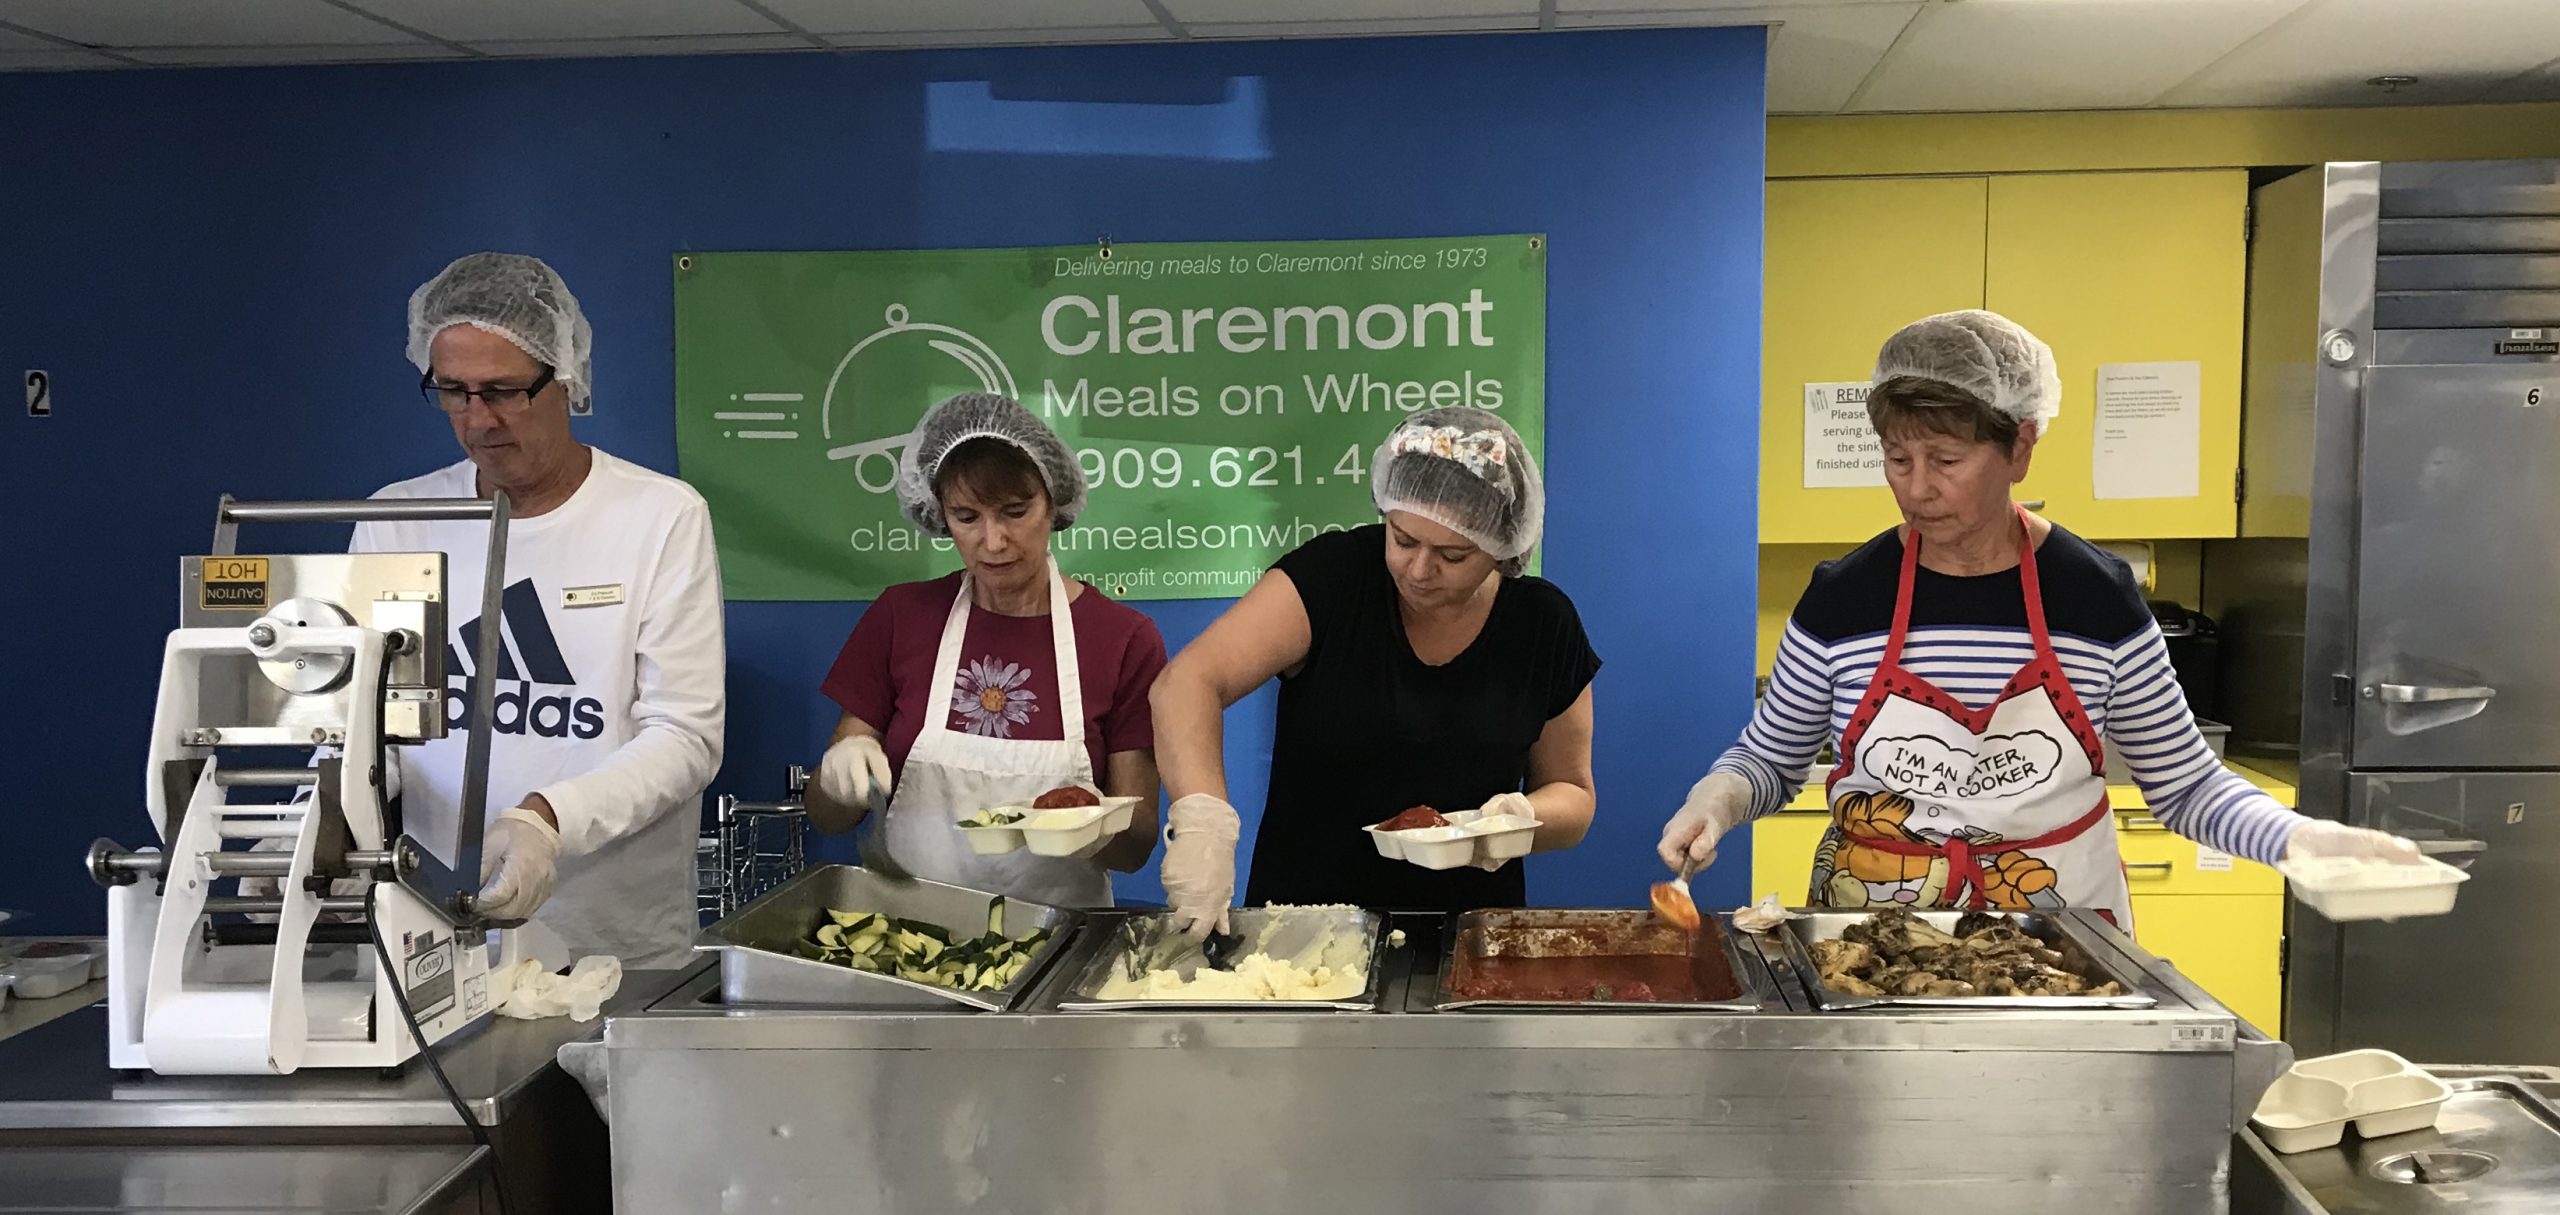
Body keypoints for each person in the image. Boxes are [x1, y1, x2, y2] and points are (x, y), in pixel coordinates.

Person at [1658, 310, 2417, 924]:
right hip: (1870, 936)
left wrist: (2301, 839)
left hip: (2060, 942)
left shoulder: (2094, 597)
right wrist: (1715, 800)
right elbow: (1771, 759)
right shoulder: (1843, 599)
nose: (1917, 488)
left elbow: (2186, 786)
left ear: (2021, 445)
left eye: (1946, 460)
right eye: (1897, 458)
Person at [359, 252, 727, 969]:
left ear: (568, 380)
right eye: (453, 391)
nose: (478, 419)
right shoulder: (397, 520)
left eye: (502, 390)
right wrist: (315, 816)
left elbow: (685, 734)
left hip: (613, 942)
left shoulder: (657, 517)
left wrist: (547, 819)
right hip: (438, 932)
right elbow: (371, 727)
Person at [1150, 407, 1600, 936]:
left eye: (1453, 555)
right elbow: (1186, 682)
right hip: (1301, 932)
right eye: (1403, 539)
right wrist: (1204, 823)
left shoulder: (1542, 623)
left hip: (1468, 938)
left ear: (1502, 547)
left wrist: (1505, 824)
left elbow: (1573, 794)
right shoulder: (1332, 578)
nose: (1419, 569)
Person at [807, 393, 1167, 906]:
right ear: (939, 516)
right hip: (911, 939)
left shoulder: (1123, 638)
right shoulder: (902, 617)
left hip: (1057, 945)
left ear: (1054, 504)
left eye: (1015, 512)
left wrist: (1091, 826)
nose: (993, 541)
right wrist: (838, 780)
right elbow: (826, 815)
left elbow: (1136, 847)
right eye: (966, 517)